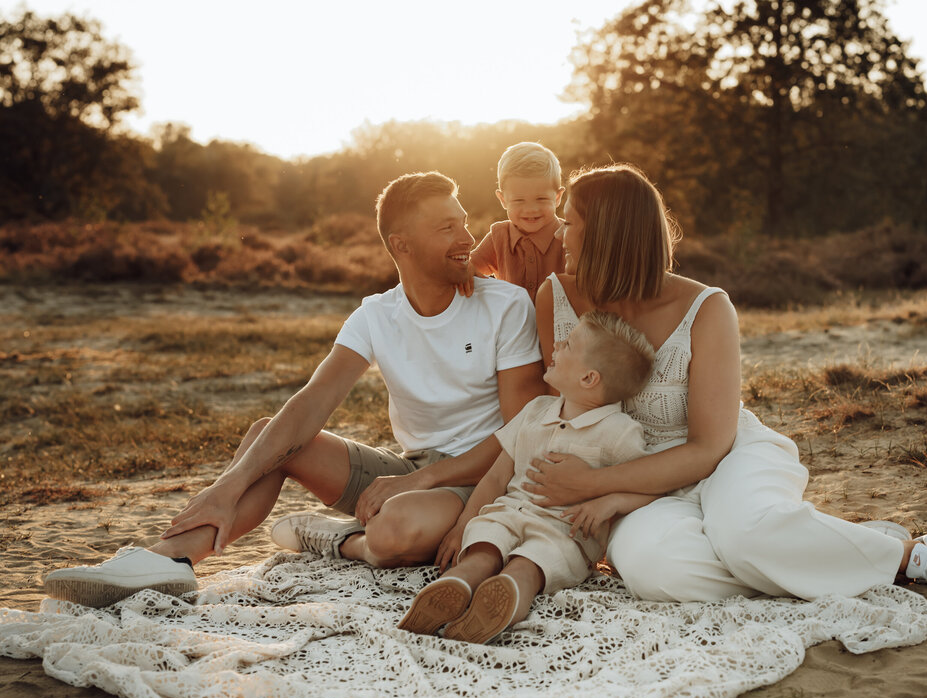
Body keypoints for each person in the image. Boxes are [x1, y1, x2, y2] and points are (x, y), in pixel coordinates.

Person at [44, 172, 546, 608]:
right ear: (402, 245)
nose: (467, 237)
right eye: (447, 227)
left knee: (394, 530)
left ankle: (335, 538)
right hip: (407, 472)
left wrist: (424, 481)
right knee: (271, 437)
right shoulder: (375, 314)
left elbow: (519, 433)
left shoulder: (505, 306)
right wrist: (227, 487)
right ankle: (169, 558)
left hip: (480, 476)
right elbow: (312, 402)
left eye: (463, 222)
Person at [524, 164, 927, 602]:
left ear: (607, 234)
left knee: (745, 538)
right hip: (634, 488)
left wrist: (594, 482)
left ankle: (906, 555)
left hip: (725, 458)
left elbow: (708, 447)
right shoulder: (556, 298)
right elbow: (553, 414)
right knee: (660, 573)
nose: (560, 232)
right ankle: (822, 546)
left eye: (570, 221)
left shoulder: (707, 308)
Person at [396, 310, 655, 644]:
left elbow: (651, 486)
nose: (556, 345)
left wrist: (611, 502)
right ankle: (457, 585)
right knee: (484, 547)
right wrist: (462, 525)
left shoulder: (619, 432)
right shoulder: (535, 411)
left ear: (589, 378)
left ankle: (505, 597)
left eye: (568, 344)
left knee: (530, 564)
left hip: (564, 532)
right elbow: (495, 478)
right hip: (507, 512)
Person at [468, 141, 566, 302]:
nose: (531, 209)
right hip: (512, 318)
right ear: (503, 199)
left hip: (561, 318)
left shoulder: (568, 236)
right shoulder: (499, 237)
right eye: (519, 200)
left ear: (557, 197)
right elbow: (468, 268)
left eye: (541, 199)